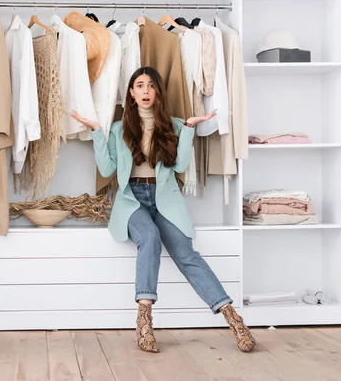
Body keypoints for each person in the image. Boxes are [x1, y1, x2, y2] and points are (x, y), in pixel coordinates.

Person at [72, 66, 256, 353]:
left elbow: (180, 166)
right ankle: (144, 321)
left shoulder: (174, 125)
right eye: (139, 85)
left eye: (150, 86)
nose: (145, 91)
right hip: (132, 199)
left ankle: (234, 320)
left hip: (165, 199)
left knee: (187, 255)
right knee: (150, 237)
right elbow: (107, 169)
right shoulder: (119, 129)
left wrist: (190, 129)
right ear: (131, 93)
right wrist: (97, 132)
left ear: (157, 92)